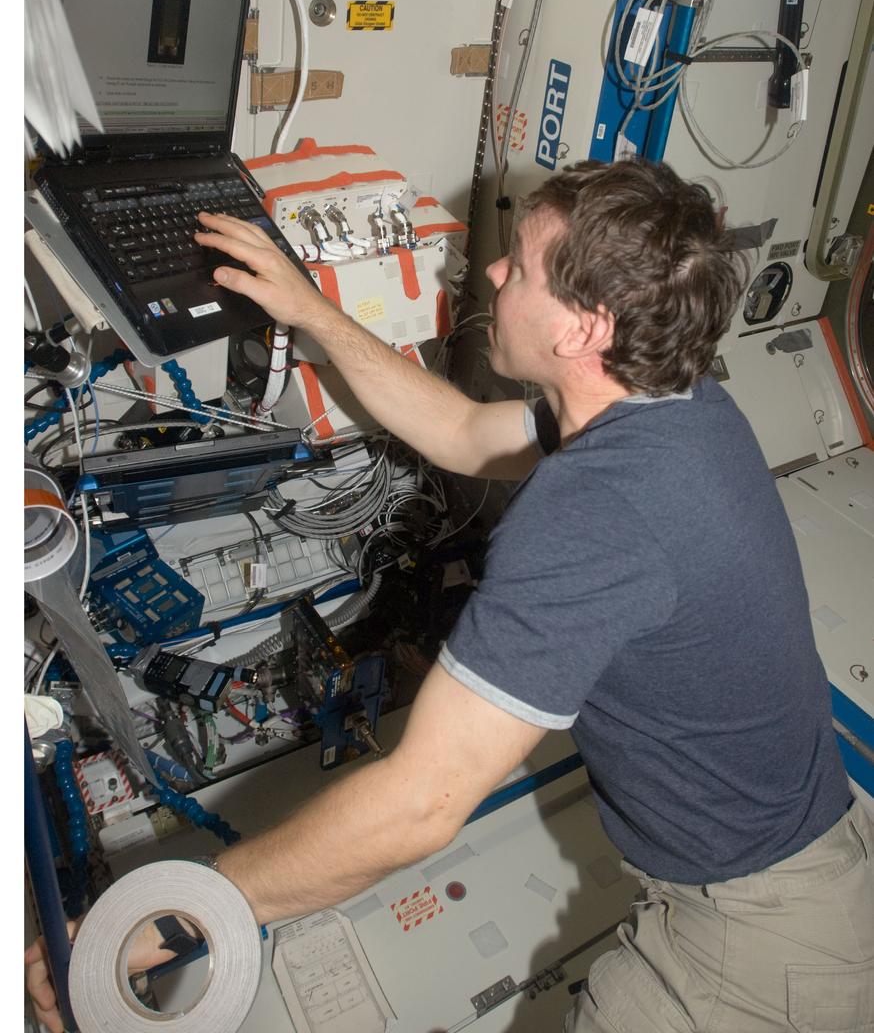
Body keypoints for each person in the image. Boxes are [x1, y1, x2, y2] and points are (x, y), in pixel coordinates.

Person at [27, 160, 873, 1032]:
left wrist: (163, 920)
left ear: (584, 329)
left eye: (523, 266)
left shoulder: (596, 515)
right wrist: (308, 309)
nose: (496, 274)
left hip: (758, 944)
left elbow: (421, 806)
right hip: (798, 864)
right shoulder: (673, 402)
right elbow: (466, 433)